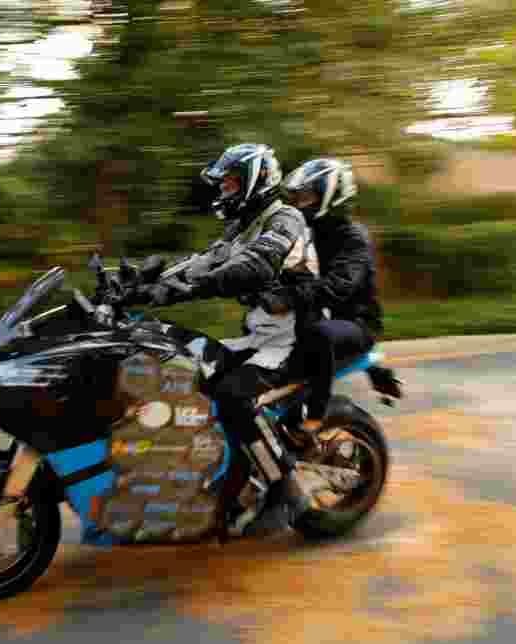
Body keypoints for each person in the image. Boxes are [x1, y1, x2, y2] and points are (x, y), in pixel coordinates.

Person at [139, 143, 319, 533]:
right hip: (261, 336)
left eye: (231, 185)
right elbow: (200, 263)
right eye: (223, 186)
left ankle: (287, 490)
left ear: (256, 181)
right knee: (182, 364)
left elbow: (253, 265)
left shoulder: (285, 219)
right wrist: (139, 284)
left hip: (295, 339)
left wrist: (191, 289)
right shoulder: (243, 226)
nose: (224, 193)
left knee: (234, 395)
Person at [279, 157, 383, 433]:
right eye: (298, 197)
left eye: (308, 197)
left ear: (332, 198)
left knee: (318, 334)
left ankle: (316, 414)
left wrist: (291, 295)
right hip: (325, 316)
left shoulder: (353, 239)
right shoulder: (310, 233)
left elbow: (338, 286)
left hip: (359, 325)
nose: (300, 204)